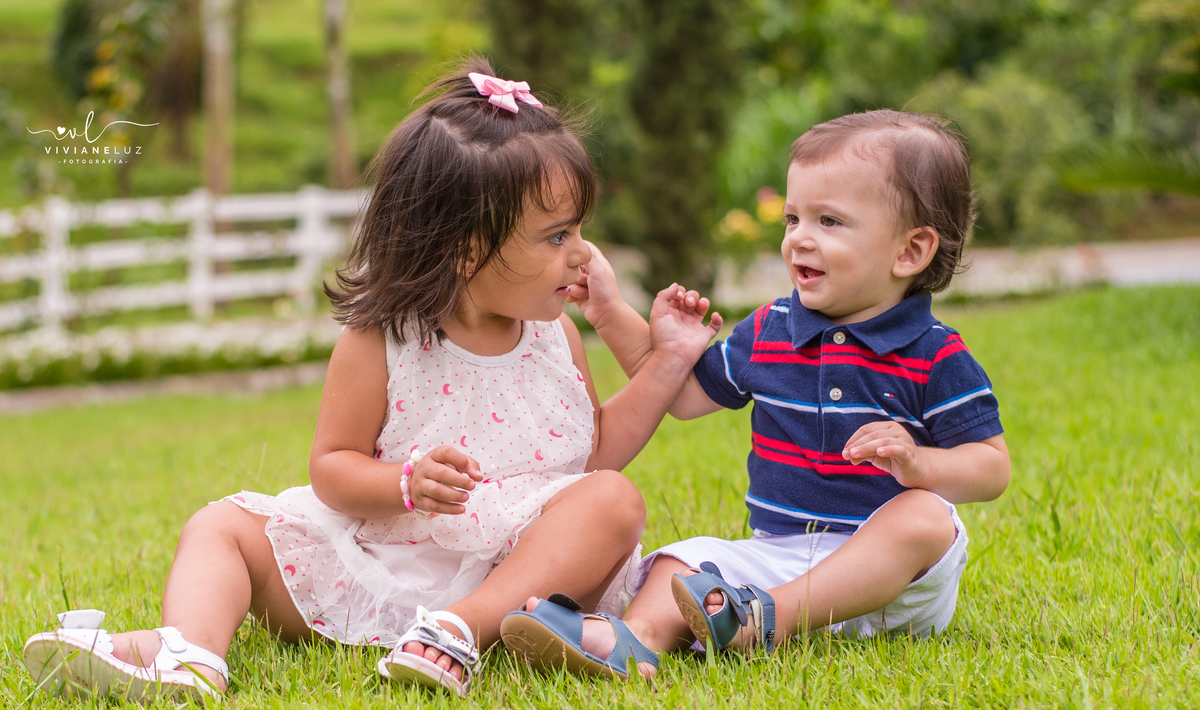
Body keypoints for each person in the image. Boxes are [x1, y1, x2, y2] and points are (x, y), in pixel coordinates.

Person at [21, 57, 722, 700]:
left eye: (578, 231)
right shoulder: (381, 340)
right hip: (381, 558)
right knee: (221, 526)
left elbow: (590, 454)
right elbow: (331, 468)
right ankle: (191, 654)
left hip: (521, 571)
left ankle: (460, 629)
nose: (583, 255)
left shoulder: (555, 336)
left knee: (612, 500)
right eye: (557, 237)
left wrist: (665, 362)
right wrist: (405, 484)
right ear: (466, 250)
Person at [501, 109, 1011, 679]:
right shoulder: (772, 329)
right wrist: (609, 311)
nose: (799, 239)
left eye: (830, 222)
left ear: (910, 252)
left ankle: (767, 620)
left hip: (894, 581)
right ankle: (633, 641)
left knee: (926, 518)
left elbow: (992, 468)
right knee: (682, 561)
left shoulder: (934, 353)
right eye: (793, 218)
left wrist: (921, 464)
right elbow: (681, 396)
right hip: (780, 558)